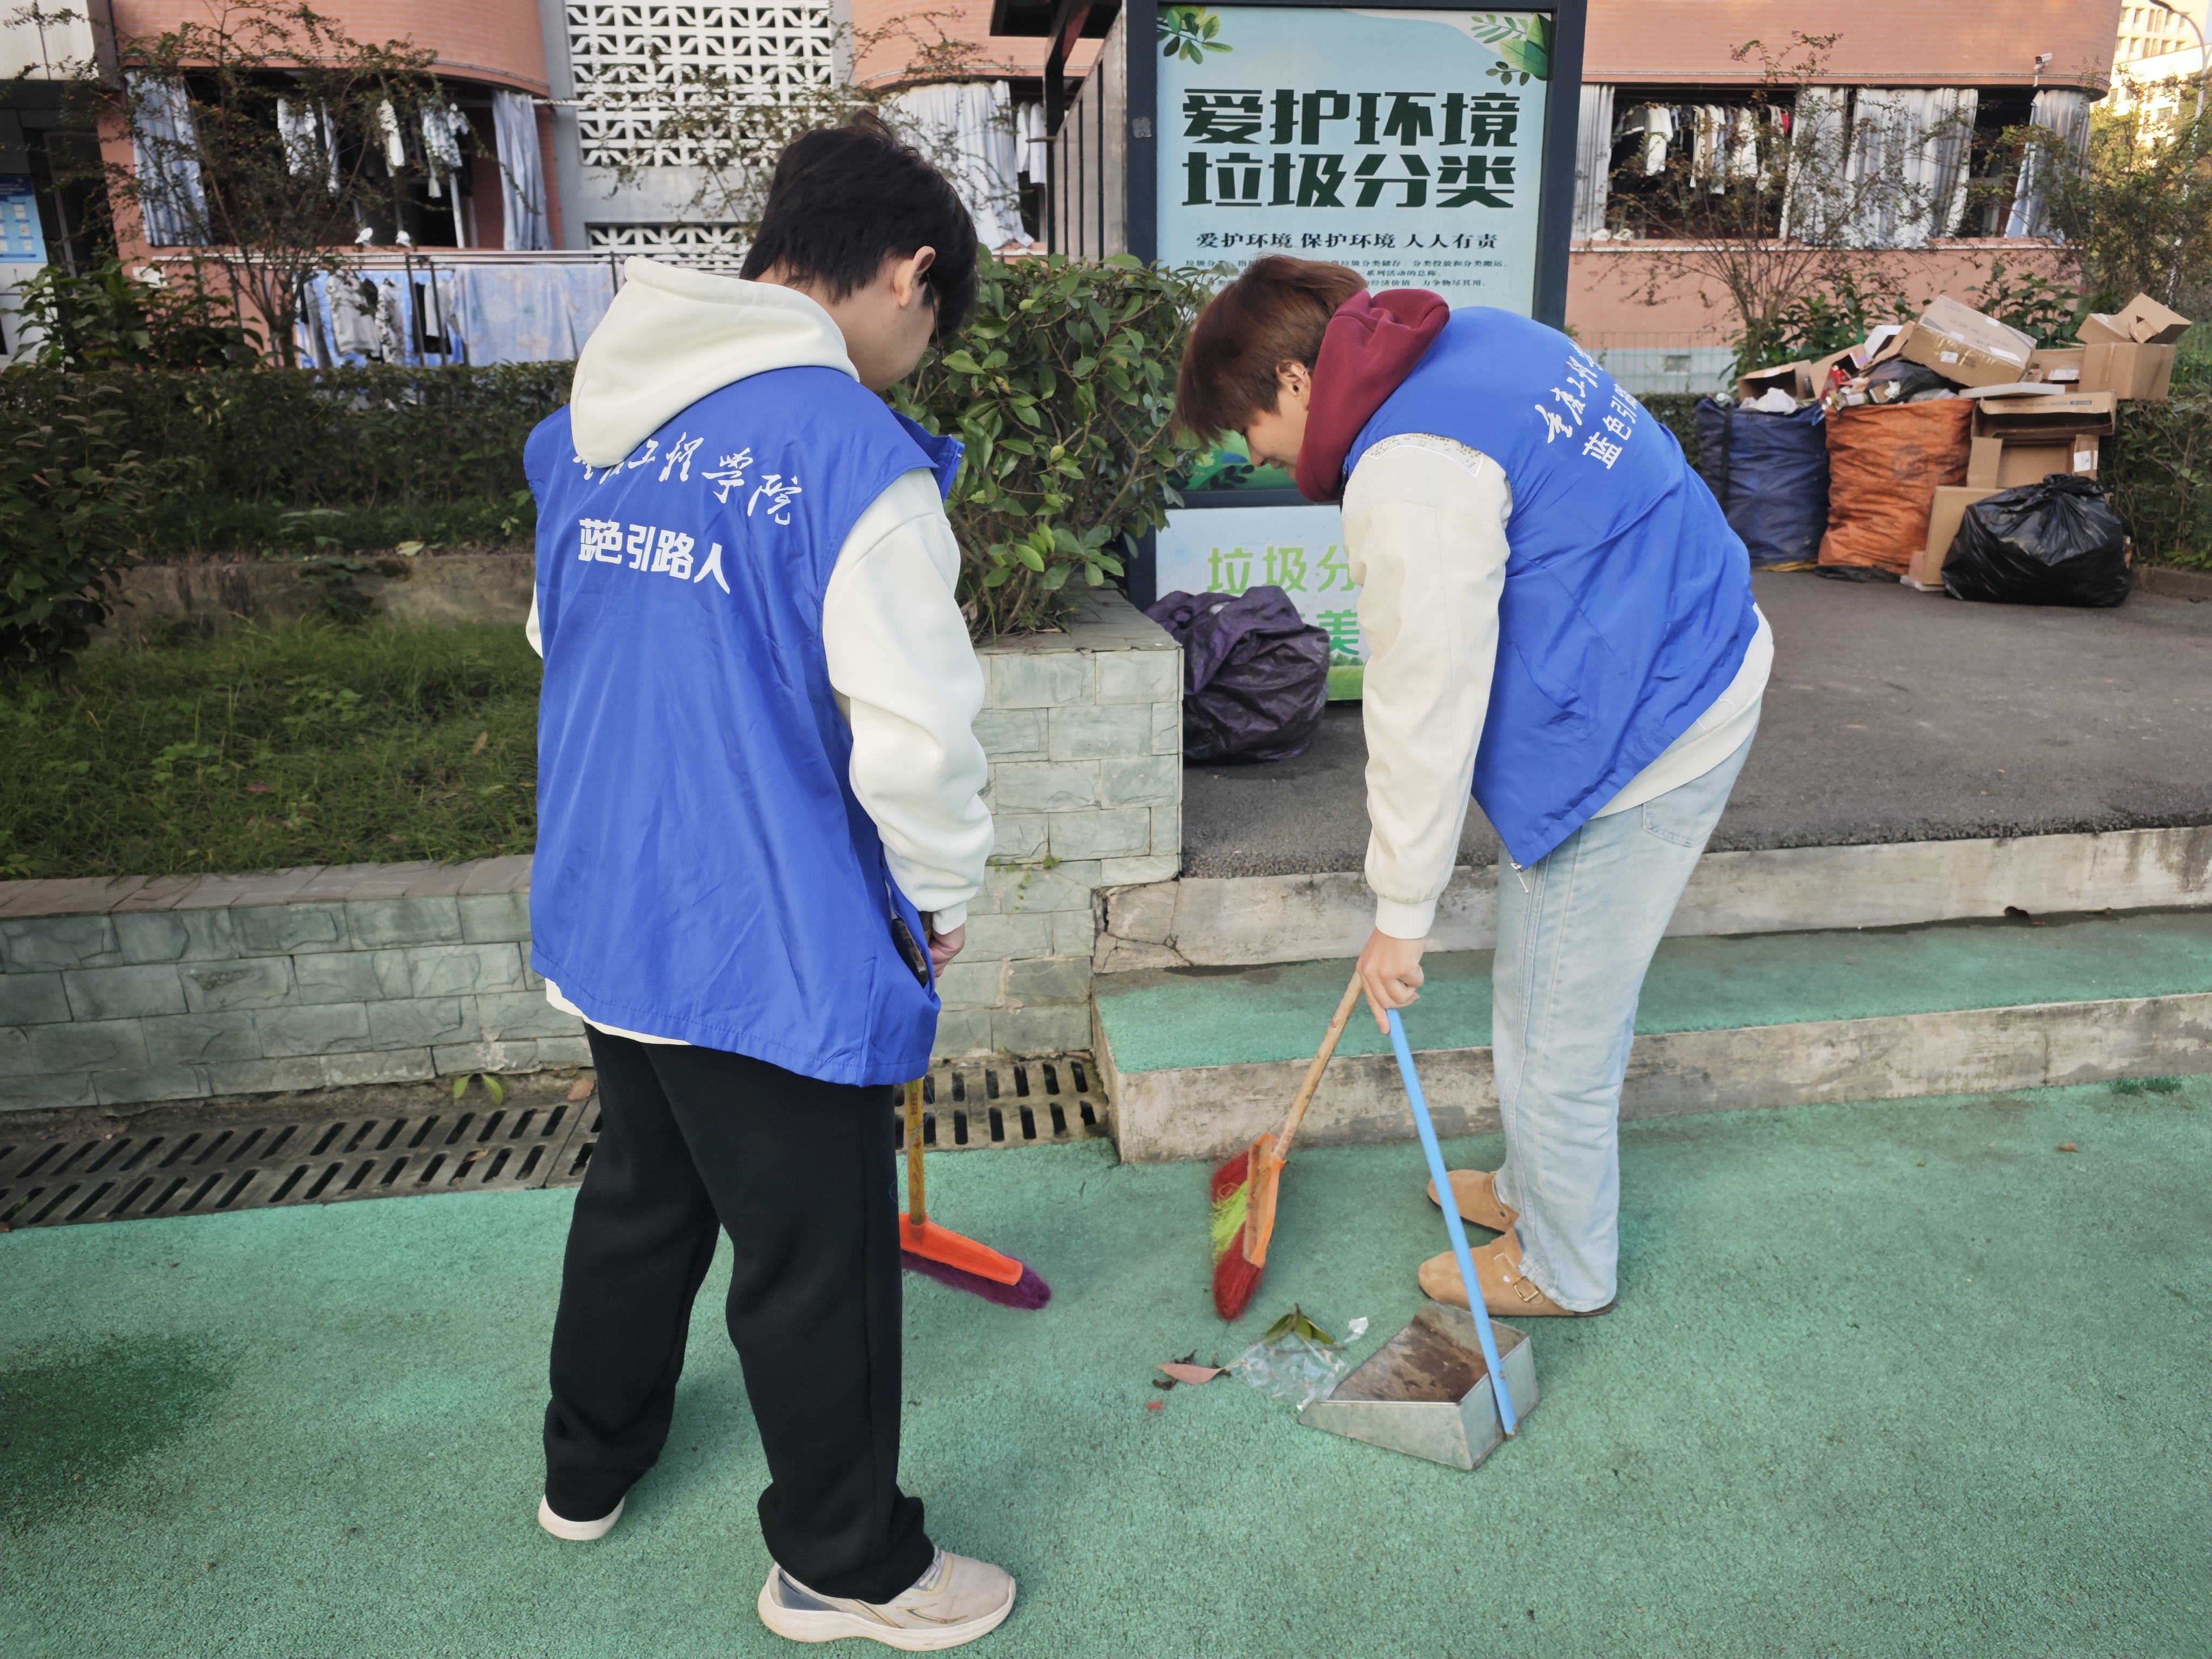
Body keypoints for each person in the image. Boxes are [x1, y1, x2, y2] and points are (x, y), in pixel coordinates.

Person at [519, 113, 1016, 1650]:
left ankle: (586, 1469)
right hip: (765, 935)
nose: (916, 361)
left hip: (611, 903)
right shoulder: (850, 453)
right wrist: (937, 896)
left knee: (644, 1192)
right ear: (908, 274)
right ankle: (845, 1567)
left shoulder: (590, 427)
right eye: (932, 325)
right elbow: (916, 734)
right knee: (817, 1258)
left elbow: (560, 641)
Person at [1174, 258, 1770, 1319]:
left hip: (1645, 726)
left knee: (1554, 1026)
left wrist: (1399, 916)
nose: (1254, 455)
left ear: (1294, 382)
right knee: (1546, 993)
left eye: (1246, 427)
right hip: (1684, 647)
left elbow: (1425, 699)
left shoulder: (1408, 473)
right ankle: (1535, 1188)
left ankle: (1562, 1264)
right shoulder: (1485, 339)